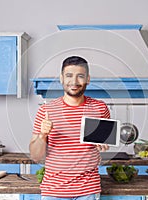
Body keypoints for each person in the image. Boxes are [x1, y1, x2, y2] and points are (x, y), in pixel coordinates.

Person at [29, 56, 110, 200]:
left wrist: (103, 143)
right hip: (53, 191)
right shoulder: (46, 110)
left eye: (80, 76)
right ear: (61, 78)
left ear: (88, 79)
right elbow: (36, 156)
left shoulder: (100, 108)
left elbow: (104, 142)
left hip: (88, 190)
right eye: (69, 76)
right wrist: (42, 135)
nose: (74, 82)